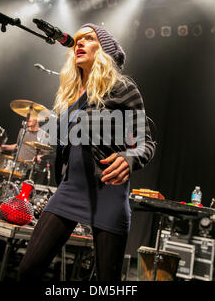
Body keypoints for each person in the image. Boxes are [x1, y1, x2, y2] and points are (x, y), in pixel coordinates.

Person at [18, 24, 156, 281]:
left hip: (108, 193)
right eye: (77, 39)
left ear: (103, 50)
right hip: (71, 190)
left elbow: (146, 144)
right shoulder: (71, 94)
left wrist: (129, 158)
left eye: (88, 39)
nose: (78, 43)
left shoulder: (123, 89)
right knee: (28, 269)